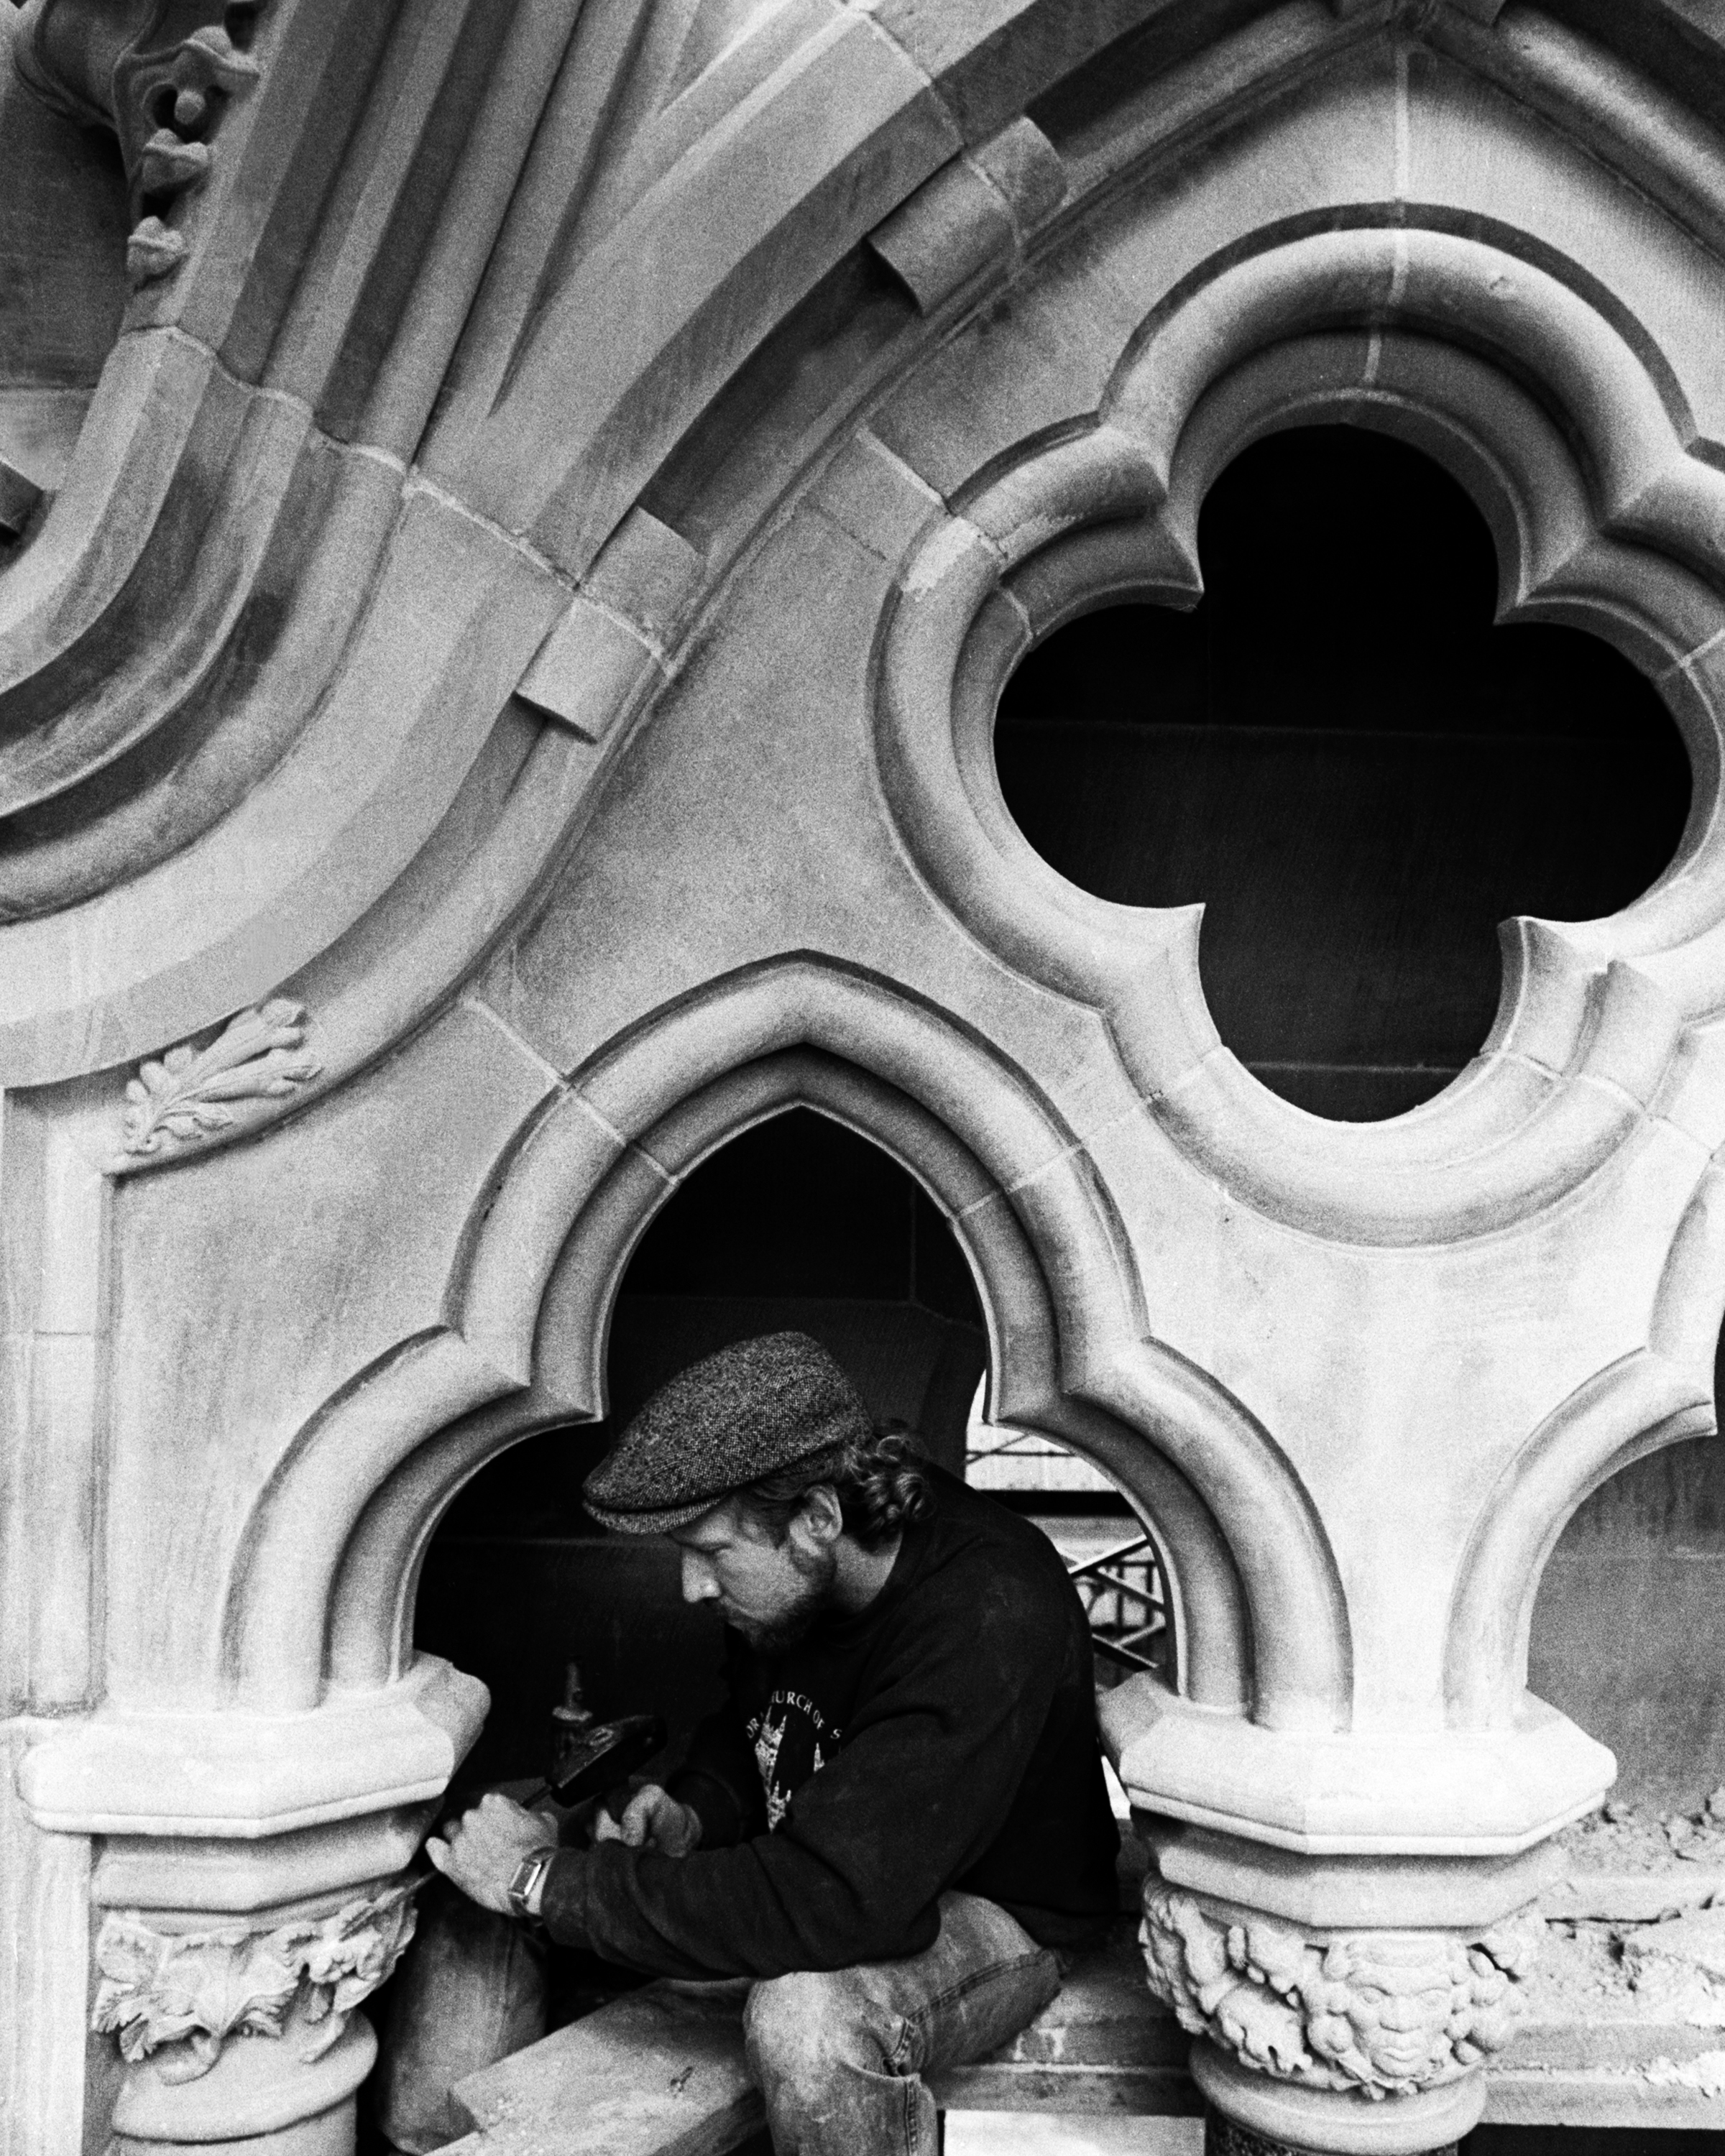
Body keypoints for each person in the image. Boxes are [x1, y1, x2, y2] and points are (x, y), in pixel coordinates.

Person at [375, 1330, 1119, 2154]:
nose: (691, 1587)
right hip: (834, 1866)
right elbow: (754, 1723)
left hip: (999, 1910)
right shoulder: (797, 1581)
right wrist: (699, 1811)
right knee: (487, 1853)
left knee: (809, 2018)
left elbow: (827, 1903)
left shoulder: (988, 1610)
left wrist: (543, 1881)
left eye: (710, 1553)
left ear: (817, 1519)